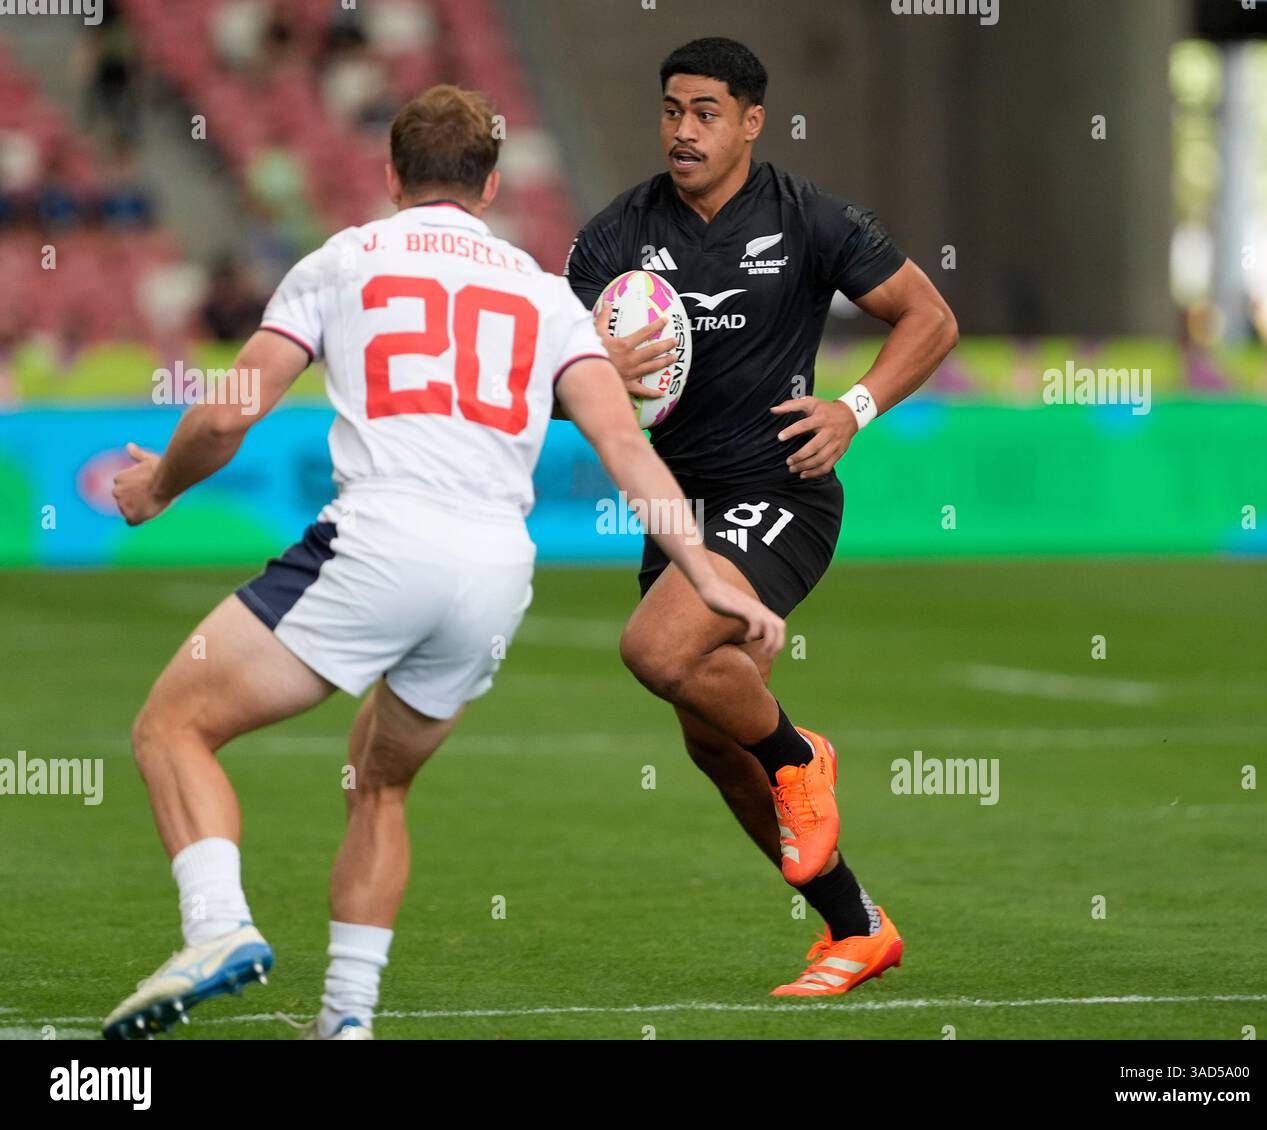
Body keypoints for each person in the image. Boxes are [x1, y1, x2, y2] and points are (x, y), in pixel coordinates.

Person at [104, 83, 784, 1040]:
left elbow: (224, 414)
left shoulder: (345, 260)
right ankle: (346, 1019)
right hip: (496, 574)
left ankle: (217, 928)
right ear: (494, 182)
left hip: (383, 541)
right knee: (378, 783)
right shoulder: (547, 295)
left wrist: (156, 489)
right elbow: (629, 451)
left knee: (170, 726)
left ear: (389, 176)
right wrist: (709, 572)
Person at [564, 38, 958, 996]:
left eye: (705, 112)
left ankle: (800, 753)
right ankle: (856, 926)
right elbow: (544, 377)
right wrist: (588, 378)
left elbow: (931, 319)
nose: (683, 130)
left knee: (658, 653)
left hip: (782, 492)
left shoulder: (812, 217)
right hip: (681, 513)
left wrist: (853, 409)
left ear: (750, 121)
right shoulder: (614, 236)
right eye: (670, 110)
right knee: (710, 738)